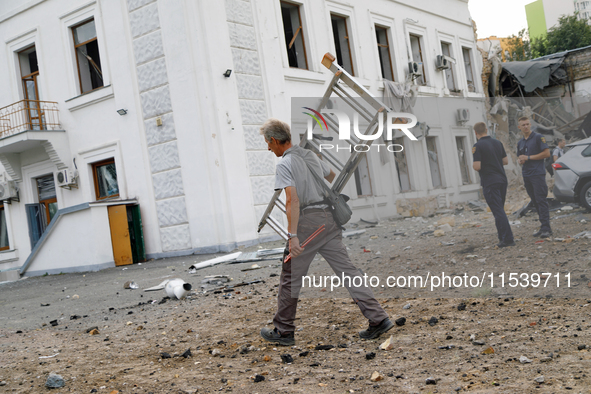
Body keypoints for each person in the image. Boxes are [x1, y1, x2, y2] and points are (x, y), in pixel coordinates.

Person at [258, 118, 393, 346]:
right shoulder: (309, 155)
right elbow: (331, 176)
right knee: (348, 271)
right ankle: (379, 319)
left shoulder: (284, 164)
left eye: (267, 143)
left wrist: (292, 236)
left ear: (274, 140)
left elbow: (292, 200)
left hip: (308, 224)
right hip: (329, 220)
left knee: (290, 276)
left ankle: (283, 331)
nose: (268, 148)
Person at [472, 122, 515, 247]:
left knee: (497, 211)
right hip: (502, 179)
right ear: (486, 130)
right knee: (499, 209)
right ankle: (502, 237)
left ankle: (508, 239)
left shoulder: (477, 146)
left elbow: (477, 166)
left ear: (475, 133)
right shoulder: (497, 143)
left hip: (490, 181)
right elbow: (505, 161)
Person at [516, 116, 552, 238]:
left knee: (541, 200)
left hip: (537, 174)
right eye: (523, 125)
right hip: (527, 175)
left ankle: (547, 228)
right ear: (519, 127)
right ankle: (543, 227)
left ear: (530, 124)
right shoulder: (520, 143)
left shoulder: (538, 137)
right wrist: (521, 160)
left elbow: (547, 153)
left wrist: (529, 157)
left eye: (527, 124)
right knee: (535, 201)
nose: (525, 126)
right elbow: (520, 156)